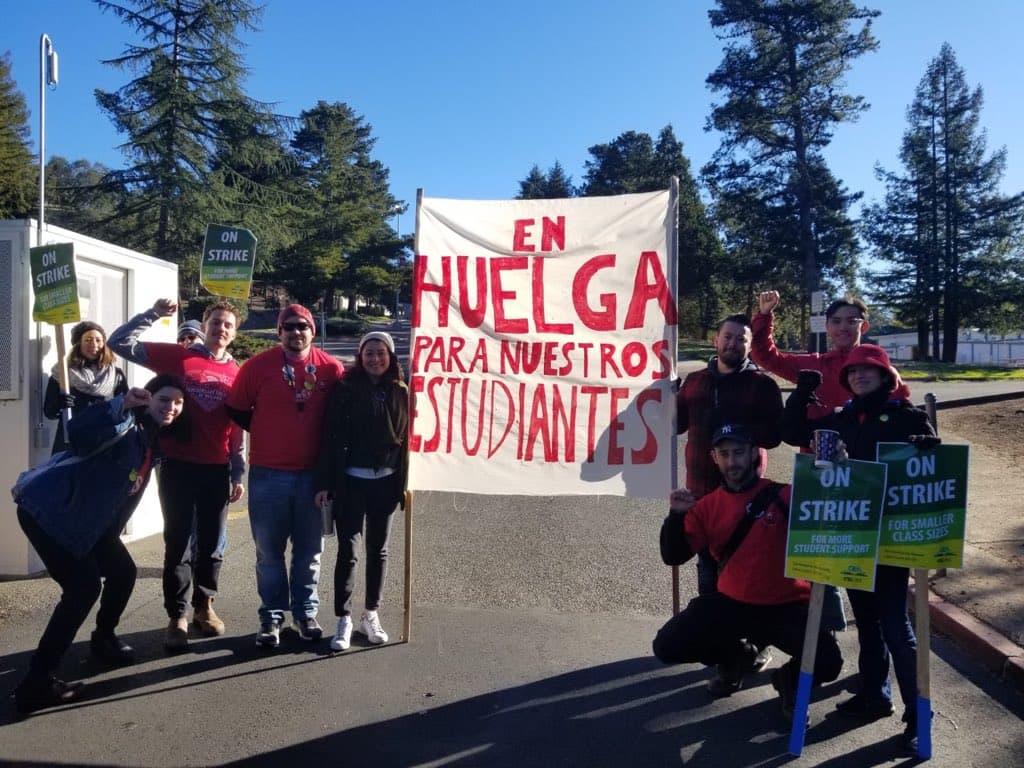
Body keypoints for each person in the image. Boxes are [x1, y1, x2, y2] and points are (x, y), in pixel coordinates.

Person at [781, 344, 938, 751]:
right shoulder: (842, 419)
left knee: (894, 625)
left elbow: (932, 462)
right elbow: (793, 433)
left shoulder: (907, 416)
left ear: (885, 375)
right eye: (851, 373)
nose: (858, 376)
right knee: (866, 622)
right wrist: (802, 391)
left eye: (867, 371)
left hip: (890, 539)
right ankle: (875, 696)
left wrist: (927, 447)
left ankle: (919, 713)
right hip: (851, 536)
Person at [11, 375, 186, 714]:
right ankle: (36, 682)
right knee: (83, 589)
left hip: (88, 523)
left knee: (123, 573)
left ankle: (104, 639)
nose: (171, 407)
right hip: (50, 512)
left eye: (178, 402)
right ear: (147, 398)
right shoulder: (123, 423)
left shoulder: (151, 440)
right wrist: (119, 403)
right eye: (164, 399)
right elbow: (78, 433)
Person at [653, 424, 843, 724]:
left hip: (786, 606)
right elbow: (673, 556)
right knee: (668, 645)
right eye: (724, 454)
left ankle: (788, 681)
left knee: (829, 663)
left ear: (755, 453)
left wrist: (834, 467)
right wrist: (676, 516)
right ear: (714, 457)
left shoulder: (784, 495)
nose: (732, 462)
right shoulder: (707, 506)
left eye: (739, 452)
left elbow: (829, 504)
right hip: (733, 603)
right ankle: (736, 657)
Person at [108, 299, 245, 652]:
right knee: (178, 543)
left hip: (216, 468)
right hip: (177, 466)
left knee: (212, 544)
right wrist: (152, 313)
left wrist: (238, 470)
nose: (221, 329)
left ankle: (204, 604)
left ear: (235, 332)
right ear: (205, 324)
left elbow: (236, 429)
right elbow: (118, 343)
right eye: (216, 322)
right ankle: (177, 615)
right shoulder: (178, 357)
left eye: (228, 325)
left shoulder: (237, 372)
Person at [676, 313, 783, 693]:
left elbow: (773, 436)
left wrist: (737, 434)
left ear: (749, 345)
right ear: (715, 340)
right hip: (702, 494)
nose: (733, 343)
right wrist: (661, 395)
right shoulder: (694, 383)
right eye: (727, 336)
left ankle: (743, 653)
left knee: (746, 580)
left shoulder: (761, 386)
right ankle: (728, 654)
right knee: (710, 582)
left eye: (741, 339)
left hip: (747, 499)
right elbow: (674, 425)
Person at [226, 304, 344, 648]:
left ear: (312, 331)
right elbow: (236, 408)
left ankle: (305, 613)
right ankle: (271, 617)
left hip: (313, 478)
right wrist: (267, 430)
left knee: (310, 552)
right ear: (279, 332)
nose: (296, 332)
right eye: (288, 327)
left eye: (302, 326)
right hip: (268, 475)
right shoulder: (257, 367)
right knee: (269, 553)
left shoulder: (331, 369)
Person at [316, 331, 409, 651]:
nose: (374, 358)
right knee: (348, 551)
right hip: (351, 481)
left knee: (378, 551)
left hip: (386, 481)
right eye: (369, 352)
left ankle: (371, 613)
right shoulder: (344, 389)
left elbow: (410, 439)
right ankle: (344, 618)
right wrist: (325, 484)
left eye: (380, 352)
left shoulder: (401, 389)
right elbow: (329, 439)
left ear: (390, 356)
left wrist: (408, 483)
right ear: (360, 355)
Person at [752, 290, 911, 420]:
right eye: (836, 321)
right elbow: (765, 356)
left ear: (864, 327)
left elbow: (904, 415)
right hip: (818, 456)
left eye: (851, 321)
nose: (842, 327)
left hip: (864, 457)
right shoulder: (813, 367)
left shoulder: (882, 371)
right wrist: (765, 315)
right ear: (827, 327)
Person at [43, 321, 128, 455]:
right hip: (71, 440)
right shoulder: (62, 373)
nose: (94, 345)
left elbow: (126, 409)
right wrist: (59, 404)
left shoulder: (116, 375)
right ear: (78, 344)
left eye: (98, 340)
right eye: (88, 340)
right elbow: (49, 411)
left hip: (104, 441)